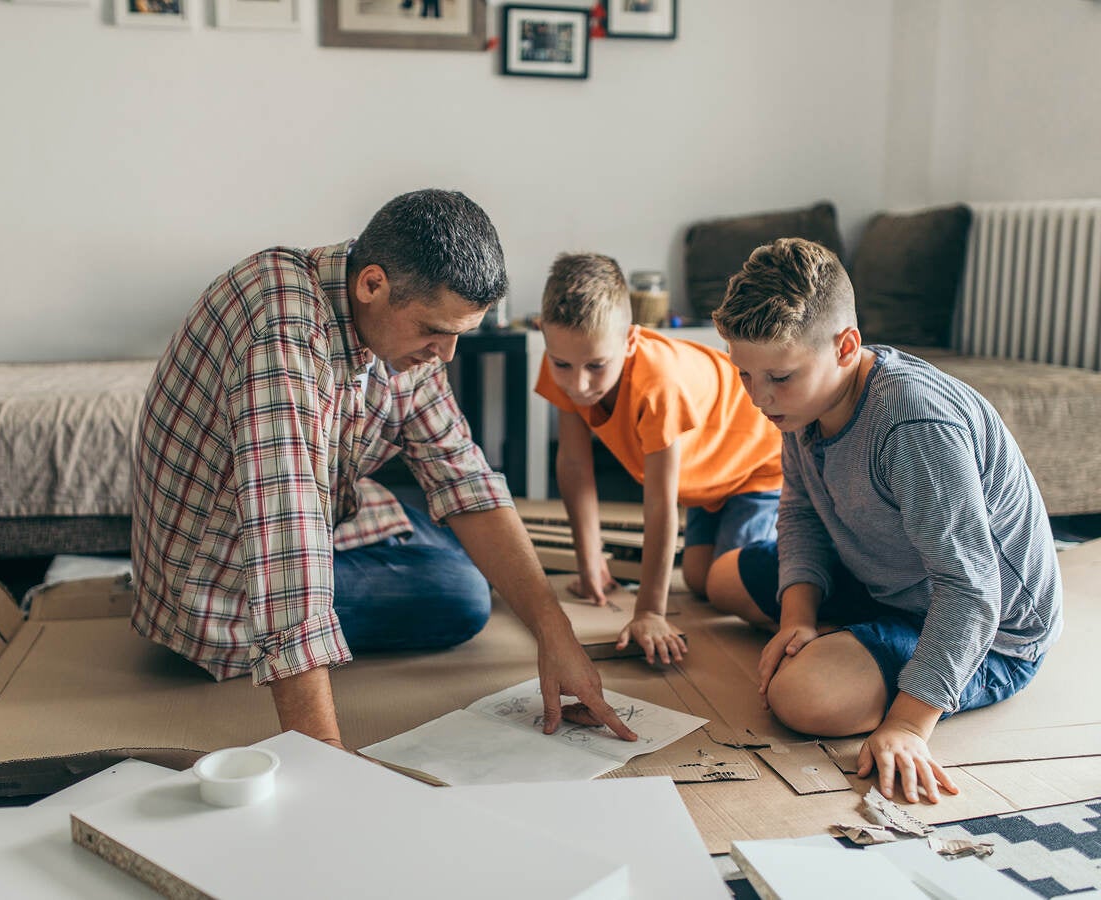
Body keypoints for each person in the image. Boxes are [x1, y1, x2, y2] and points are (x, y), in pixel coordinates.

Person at [130, 190, 638, 750]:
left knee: (472, 553)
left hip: (330, 516)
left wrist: (554, 632)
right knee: (464, 592)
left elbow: (463, 477)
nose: (444, 356)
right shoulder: (282, 332)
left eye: (457, 336)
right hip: (219, 588)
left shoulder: (400, 326)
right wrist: (324, 762)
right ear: (372, 284)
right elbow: (288, 550)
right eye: (433, 331)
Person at [706, 237, 1063, 804]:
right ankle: (846, 633)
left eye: (778, 377)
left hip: (991, 632)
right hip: (888, 578)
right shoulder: (805, 403)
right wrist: (797, 618)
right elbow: (801, 512)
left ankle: (872, 655)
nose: (759, 398)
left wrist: (908, 724)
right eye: (745, 375)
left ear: (846, 346)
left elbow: (971, 591)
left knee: (802, 698)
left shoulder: (913, 425)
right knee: (718, 577)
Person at [534, 253, 783, 665]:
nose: (578, 384)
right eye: (563, 365)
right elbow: (575, 466)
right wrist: (589, 561)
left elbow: (659, 502)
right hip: (705, 482)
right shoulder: (564, 361)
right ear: (545, 336)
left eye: (597, 366)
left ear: (630, 340)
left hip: (757, 463)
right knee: (699, 579)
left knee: (724, 584)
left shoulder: (658, 384)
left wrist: (649, 611)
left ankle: (815, 576)